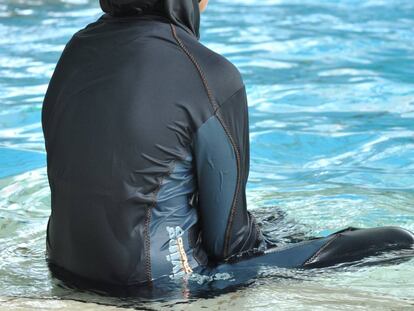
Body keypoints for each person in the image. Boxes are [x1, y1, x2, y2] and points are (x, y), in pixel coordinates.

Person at [42, 0, 414, 289]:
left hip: (63, 266)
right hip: (156, 283)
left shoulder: (74, 52)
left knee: (274, 220)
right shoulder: (209, 74)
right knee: (396, 240)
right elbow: (230, 245)